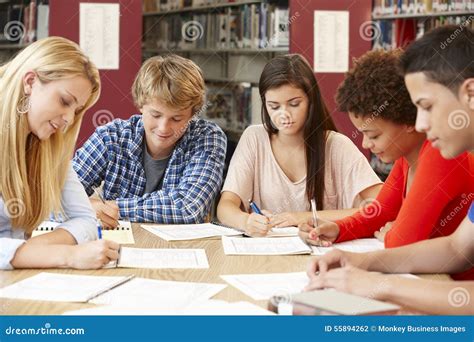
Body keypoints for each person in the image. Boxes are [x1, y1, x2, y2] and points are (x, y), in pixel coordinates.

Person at [305, 25, 474, 315]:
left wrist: (375, 285)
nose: (419, 124)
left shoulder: (441, 156)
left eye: (427, 106)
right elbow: (458, 248)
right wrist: (360, 262)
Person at [299, 49, 473, 252]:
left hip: (452, 281)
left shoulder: (440, 156)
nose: (365, 144)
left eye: (374, 136)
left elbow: (402, 242)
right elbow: (378, 214)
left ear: (408, 121)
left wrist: (393, 232)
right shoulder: (406, 156)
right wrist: (338, 228)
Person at [217, 54, 382, 237]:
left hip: (323, 254)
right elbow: (225, 206)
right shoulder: (254, 139)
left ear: (311, 101)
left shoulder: (336, 146)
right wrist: (245, 221)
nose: (284, 115)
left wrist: (302, 217)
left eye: (294, 104)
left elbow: (380, 206)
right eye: (274, 106)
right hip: (267, 256)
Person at [0, 36, 119, 270]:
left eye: (77, 109)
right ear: (30, 82)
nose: (69, 118)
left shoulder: (48, 148)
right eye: (65, 101)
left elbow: (86, 220)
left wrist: (31, 251)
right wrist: (64, 255)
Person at [72, 55, 227, 227]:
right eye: (155, 115)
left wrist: (114, 208)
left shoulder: (207, 137)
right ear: (140, 104)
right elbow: (56, 196)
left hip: (182, 252)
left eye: (176, 119)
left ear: (192, 114)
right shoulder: (111, 137)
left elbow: (188, 207)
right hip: (119, 247)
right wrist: (88, 207)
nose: (163, 128)